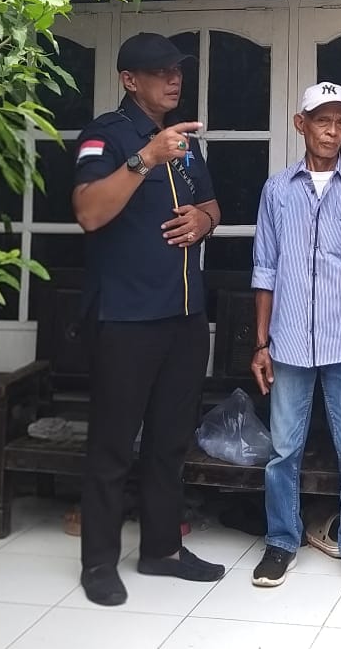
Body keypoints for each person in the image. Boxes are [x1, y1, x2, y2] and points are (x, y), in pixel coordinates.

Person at [70, 32, 226, 607]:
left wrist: (204, 222)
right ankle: (98, 562)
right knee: (113, 446)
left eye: (177, 70)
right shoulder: (106, 136)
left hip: (184, 315)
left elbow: (212, 205)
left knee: (169, 442)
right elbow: (88, 213)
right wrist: (144, 159)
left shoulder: (184, 142)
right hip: (126, 317)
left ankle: (162, 550)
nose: (174, 79)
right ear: (129, 80)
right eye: (161, 72)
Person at [248, 82, 341, 595]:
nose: (331, 131)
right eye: (322, 120)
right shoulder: (276, 190)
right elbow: (265, 267)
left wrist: (337, 295)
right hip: (287, 340)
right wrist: (261, 343)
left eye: (340, 121)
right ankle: (281, 540)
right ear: (300, 123)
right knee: (284, 449)